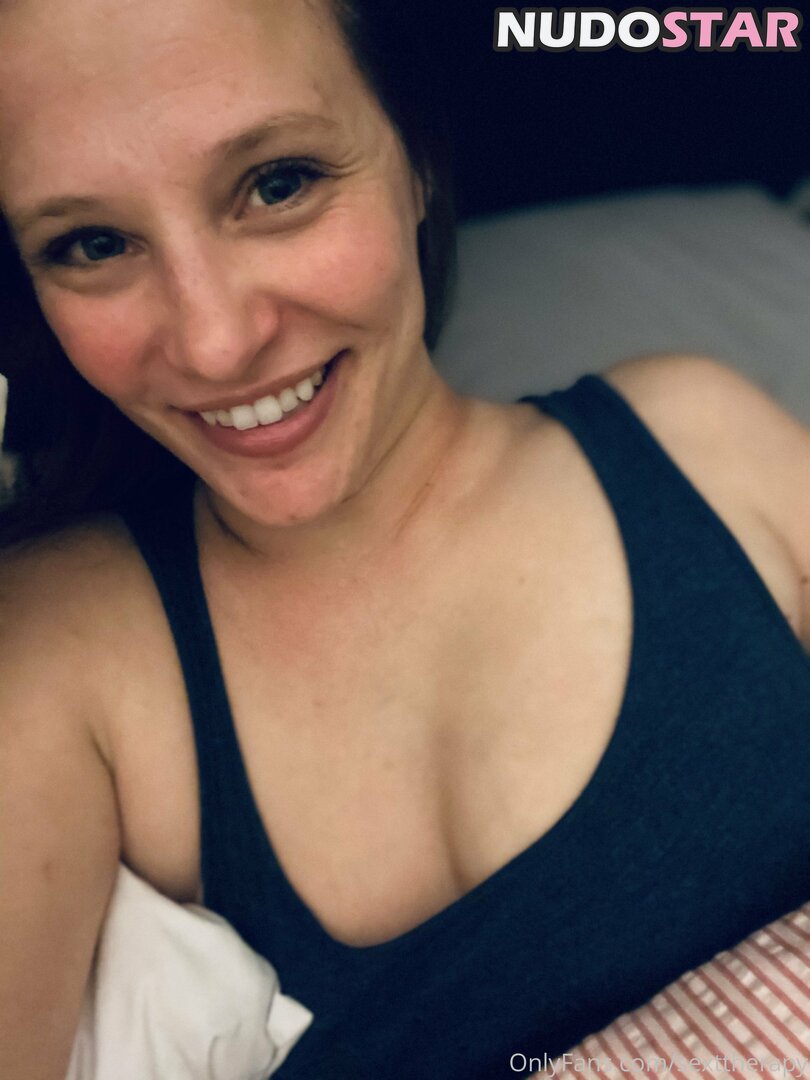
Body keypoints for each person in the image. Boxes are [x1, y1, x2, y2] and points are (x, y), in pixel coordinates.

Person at [0, 1, 809, 1078]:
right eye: (92, 245)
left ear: (417, 159)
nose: (215, 341)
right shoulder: (54, 660)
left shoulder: (706, 453)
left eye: (278, 182)